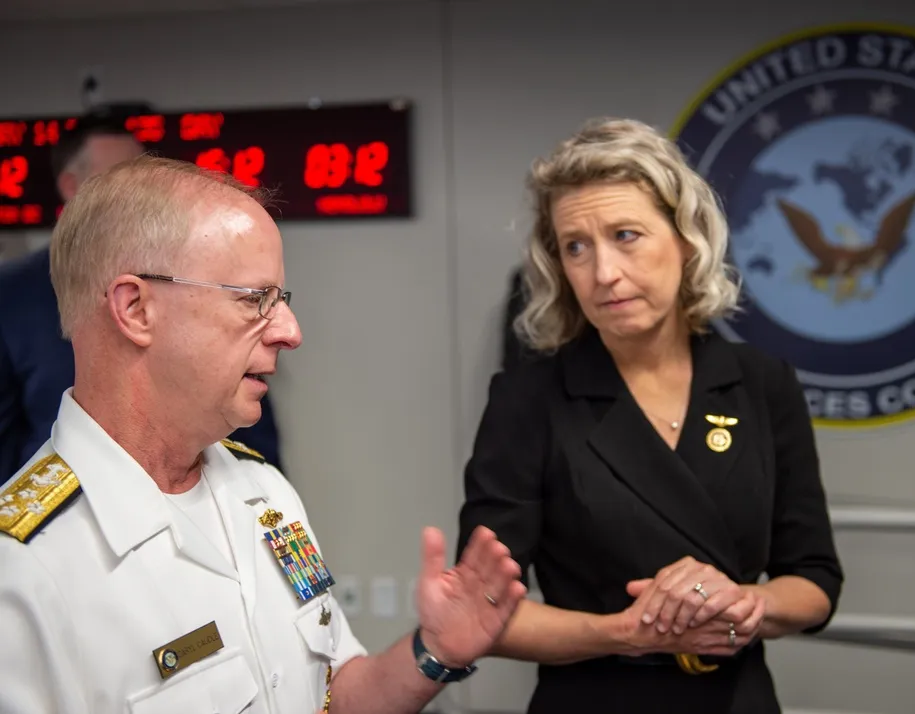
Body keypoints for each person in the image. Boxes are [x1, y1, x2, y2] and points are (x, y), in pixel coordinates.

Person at [0, 155, 526, 714]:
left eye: (281, 302)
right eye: (255, 301)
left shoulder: (262, 492)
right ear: (136, 309)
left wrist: (434, 651)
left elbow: (334, 694)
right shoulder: (25, 571)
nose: (291, 332)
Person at [456, 118, 844, 713]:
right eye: (576, 248)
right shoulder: (528, 399)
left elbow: (815, 582)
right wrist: (627, 632)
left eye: (626, 235)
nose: (604, 273)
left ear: (686, 240)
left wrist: (744, 603)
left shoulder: (762, 384)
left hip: (735, 698)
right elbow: (483, 614)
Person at [0, 113, 285, 481]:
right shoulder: (14, 294)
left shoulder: (196, 275)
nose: (138, 186)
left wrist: (260, 496)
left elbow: (246, 411)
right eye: (118, 173)